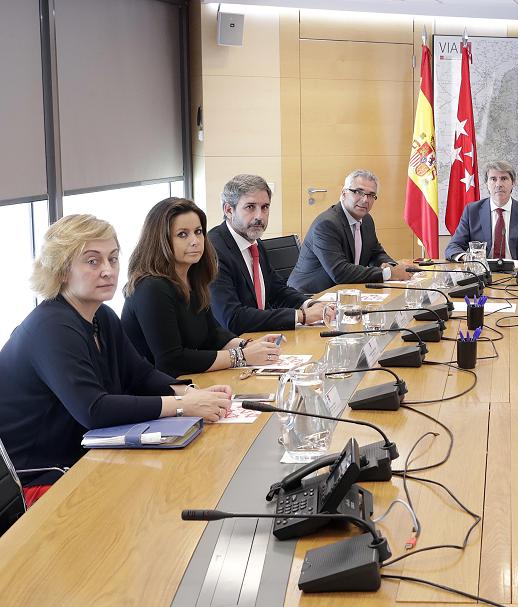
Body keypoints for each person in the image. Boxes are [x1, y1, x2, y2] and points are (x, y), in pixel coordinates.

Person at [0, 215, 232, 506]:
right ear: (60, 271)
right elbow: (94, 409)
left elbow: (141, 375)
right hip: (42, 478)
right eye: (92, 261)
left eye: (112, 258)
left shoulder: (101, 315)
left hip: (88, 456)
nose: (108, 271)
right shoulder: (50, 327)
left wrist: (192, 393)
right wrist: (182, 406)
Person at [122, 198, 281, 377]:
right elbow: (171, 361)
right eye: (182, 234)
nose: (195, 241)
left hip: (191, 384)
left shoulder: (192, 277)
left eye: (198, 232)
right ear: (161, 239)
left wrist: (247, 345)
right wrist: (242, 356)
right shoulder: (151, 288)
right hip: (158, 396)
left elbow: (212, 335)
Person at [209, 174, 325, 334]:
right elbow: (233, 318)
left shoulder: (255, 242)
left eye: (265, 207)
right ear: (229, 210)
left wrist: (309, 304)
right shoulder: (213, 251)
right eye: (250, 207)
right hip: (230, 347)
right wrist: (300, 316)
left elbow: (276, 290)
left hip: (261, 337)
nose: (259, 216)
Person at [288, 169, 411, 292]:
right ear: (344, 193)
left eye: (371, 195)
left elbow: (375, 253)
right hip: (310, 296)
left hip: (345, 291)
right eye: (358, 192)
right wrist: (388, 274)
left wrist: (393, 267)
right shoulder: (326, 224)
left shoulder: (366, 220)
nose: (365, 200)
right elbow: (340, 272)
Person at [444, 160, 518, 261]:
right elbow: (453, 247)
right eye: (493, 179)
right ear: (487, 184)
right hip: (482, 276)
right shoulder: (472, 211)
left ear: (513, 183)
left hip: (517, 278)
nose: (498, 184)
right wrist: (467, 257)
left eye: (504, 179)